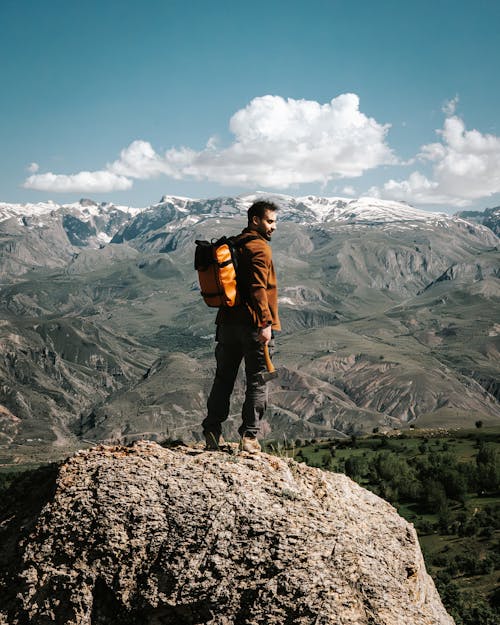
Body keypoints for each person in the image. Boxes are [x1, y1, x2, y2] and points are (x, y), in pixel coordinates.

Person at [202, 200, 281, 453]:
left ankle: (212, 431)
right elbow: (258, 288)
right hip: (252, 326)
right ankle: (249, 437)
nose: (274, 227)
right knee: (258, 381)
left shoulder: (234, 244)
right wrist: (265, 323)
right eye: (270, 221)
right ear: (255, 220)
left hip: (226, 323)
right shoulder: (260, 249)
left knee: (223, 378)